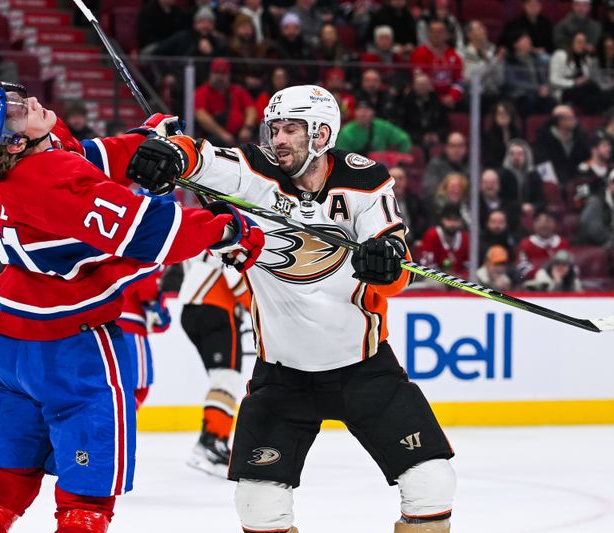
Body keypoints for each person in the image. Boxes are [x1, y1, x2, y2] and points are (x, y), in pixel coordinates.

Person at [128, 85, 456, 533]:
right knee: (257, 505)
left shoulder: (365, 180)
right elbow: (202, 158)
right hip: (283, 375)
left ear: (322, 133)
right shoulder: (254, 171)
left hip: (364, 369)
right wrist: (170, 155)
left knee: (431, 483)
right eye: (274, 128)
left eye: (291, 129)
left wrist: (384, 263)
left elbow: (395, 265)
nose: (278, 138)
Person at [0, 82, 264, 533]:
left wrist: (143, 141)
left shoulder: (14, 165)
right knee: (85, 505)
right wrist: (226, 229)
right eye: (14, 111)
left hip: (13, 346)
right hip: (73, 352)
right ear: (14, 141)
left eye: (15, 96)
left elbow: (82, 156)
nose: (27, 101)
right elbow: (150, 231)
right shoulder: (49, 179)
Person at [178, 252, 249, 476]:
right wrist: (257, 306)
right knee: (226, 378)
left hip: (194, 307)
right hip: (216, 305)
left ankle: (212, 441)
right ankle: (212, 442)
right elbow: (234, 270)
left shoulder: (199, 226)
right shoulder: (228, 222)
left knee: (223, 377)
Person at [116, 270, 170, 409]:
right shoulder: (142, 254)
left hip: (98, 328)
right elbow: (147, 284)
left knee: (107, 388)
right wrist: (156, 305)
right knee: (137, 388)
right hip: (129, 330)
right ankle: (119, 428)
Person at [194, 58, 258, 147]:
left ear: (228, 75)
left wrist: (247, 128)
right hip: (213, 139)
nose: (220, 77)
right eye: (217, 73)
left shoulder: (238, 91)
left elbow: (251, 110)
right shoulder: (201, 92)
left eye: (223, 73)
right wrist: (222, 134)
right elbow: (202, 116)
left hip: (239, 137)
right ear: (210, 74)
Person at [409, 18, 464, 109]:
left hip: (449, 98)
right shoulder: (419, 53)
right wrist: (439, 99)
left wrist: (453, 96)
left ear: (447, 35)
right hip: (427, 98)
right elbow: (419, 79)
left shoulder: (454, 55)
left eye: (440, 32)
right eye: (433, 31)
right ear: (428, 34)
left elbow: (458, 81)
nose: (436, 35)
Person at [335, 99, 412, 155]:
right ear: (355, 113)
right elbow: (341, 156)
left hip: (381, 168)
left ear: (373, 113)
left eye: (366, 110)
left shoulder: (382, 126)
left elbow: (404, 139)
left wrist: (400, 161)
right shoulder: (347, 132)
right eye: (360, 110)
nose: (363, 114)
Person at [419, 202, 471, 278]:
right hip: (436, 278)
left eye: (456, 220)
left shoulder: (465, 237)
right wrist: (445, 277)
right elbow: (426, 265)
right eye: (448, 219)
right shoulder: (432, 235)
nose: (452, 224)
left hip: (459, 279)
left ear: (460, 221)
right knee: (436, 285)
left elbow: (469, 265)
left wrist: (460, 276)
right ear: (442, 220)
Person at [516, 209, 570, 279]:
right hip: (536, 282)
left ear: (554, 223)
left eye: (548, 221)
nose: (544, 225)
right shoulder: (525, 244)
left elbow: (571, 264)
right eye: (539, 222)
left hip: (562, 280)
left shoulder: (563, 243)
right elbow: (522, 267)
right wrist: (542, 274)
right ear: (534, 224)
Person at [422, 131, 468, 201]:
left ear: (465, 148)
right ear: (446, 148)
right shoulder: (435, 165)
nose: (456, 150)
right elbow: (430, 190)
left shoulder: (472, 166)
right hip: (441, 207)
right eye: (452, 146)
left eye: (460, 146)